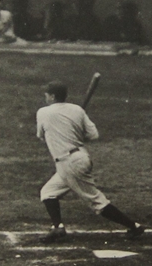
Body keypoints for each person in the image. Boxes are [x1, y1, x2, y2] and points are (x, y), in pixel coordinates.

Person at [36, 81, 145, 244]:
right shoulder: (77, 110)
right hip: (77, 158)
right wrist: (75, 135)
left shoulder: (43, 112)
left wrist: (64, 134)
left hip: (70, 163)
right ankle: (58, 227)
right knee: (48, 193)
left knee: (96, 201)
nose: (45, 97)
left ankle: (134, 226)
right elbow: (93, 135)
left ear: (52, 96)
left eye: (46, 94)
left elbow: (40, 136)